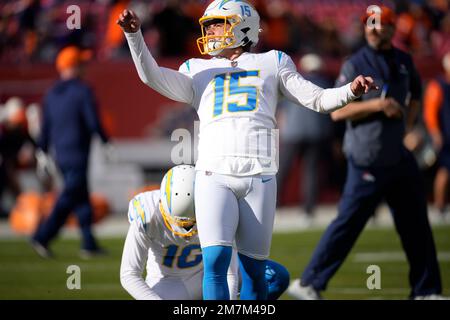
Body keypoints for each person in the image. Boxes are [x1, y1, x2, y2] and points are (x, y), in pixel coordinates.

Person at [117, 0, 375, 300]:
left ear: (243, 26)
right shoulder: (197, 69)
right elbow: (152, 75)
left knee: (253, 268)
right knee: (215, 261)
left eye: (218, 23)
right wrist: (134, 36)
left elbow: (316, 99)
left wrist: (350, 91)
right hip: (213, 173)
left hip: (260, 174)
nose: (210, 31)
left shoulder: (273, 62)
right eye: (209, 25)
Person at [287, 6, 444, 300]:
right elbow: (338, 112)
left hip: (398, 154)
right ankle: (309, 283)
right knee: (348, 223)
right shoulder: (356, 62)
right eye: (369, 24)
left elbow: (415, 100)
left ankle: (426, 290)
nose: (373, 29)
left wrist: (409, 130)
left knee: (417, 225)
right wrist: (377, 106)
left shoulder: (404, 61)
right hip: (367, 156)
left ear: (392, 28)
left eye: (379, 24)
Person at [120, 164, 290, 300]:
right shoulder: (147, 214)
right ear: (162, 205)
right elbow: (129, 275)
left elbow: (230, 273)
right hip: (170, 283)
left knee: (276, 277)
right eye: (177, 221)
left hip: (211, 271)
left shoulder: (215, 204)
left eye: (191, 221)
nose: (185, 228)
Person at [31, 46, 111, 259]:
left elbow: (45, 126)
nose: (85, 67)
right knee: (69, 196)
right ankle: (42, 236)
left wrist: (42, 151)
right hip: (77, 152)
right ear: (74, 66)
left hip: (60, 154)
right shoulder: (83, 90)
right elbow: (92, 120)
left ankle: (88, 243)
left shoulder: (51, 93)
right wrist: (106, 142)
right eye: (82, 63)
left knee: (81, 197)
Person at [277, 54, 333, 219]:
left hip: (292, 132)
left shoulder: (293, 82)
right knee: (311, 171)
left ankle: (274, 206)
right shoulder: (325, 82)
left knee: (283, 170)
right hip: (317, 133)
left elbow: (281, 110)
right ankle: (308, 210)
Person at [423, 52, 450, 216]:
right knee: (445, 170)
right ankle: (439, 204)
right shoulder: (438, 85)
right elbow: (430, 112)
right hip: (446, 135)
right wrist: (435, 132)